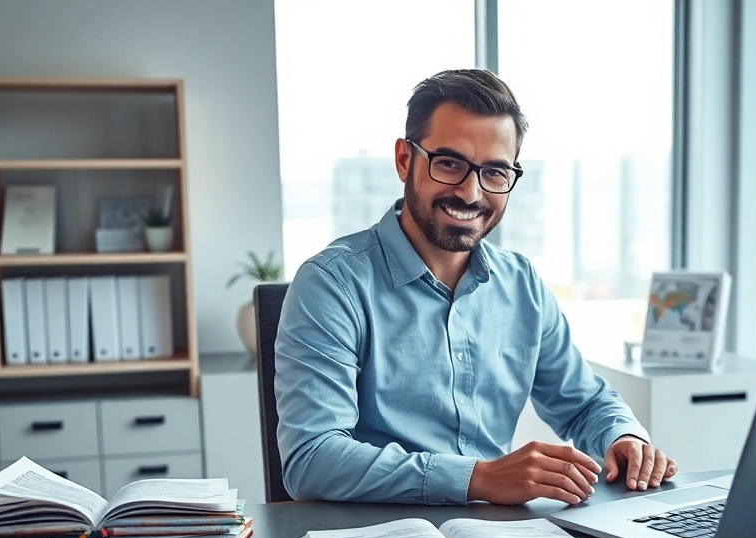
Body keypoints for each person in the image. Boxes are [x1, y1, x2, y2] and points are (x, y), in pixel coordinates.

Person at [274, 69, 676, 506]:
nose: (471, 192)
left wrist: (624, 437)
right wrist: (476, 479)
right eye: (449, 164)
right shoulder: (331, 284)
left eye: (495, 173)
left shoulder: (522, 284)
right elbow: (311, 460)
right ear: (405, 160)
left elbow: (583, 403)